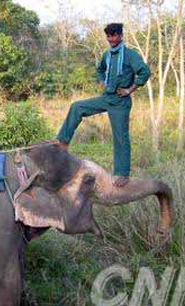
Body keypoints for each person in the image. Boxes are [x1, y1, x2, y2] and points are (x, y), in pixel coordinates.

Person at [57, 23, 151, 187]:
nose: (111, 39)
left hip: (121, 102)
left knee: (120, 137)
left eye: (114, 36)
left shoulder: (129, 55)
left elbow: (145, 72)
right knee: (77, 107)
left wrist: (130, 90)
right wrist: (102, 82)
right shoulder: (107, 55)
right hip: (107, 97)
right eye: (108, 36)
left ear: (120, 36)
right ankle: (62, 142)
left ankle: (122, 174)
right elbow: (100, 69)